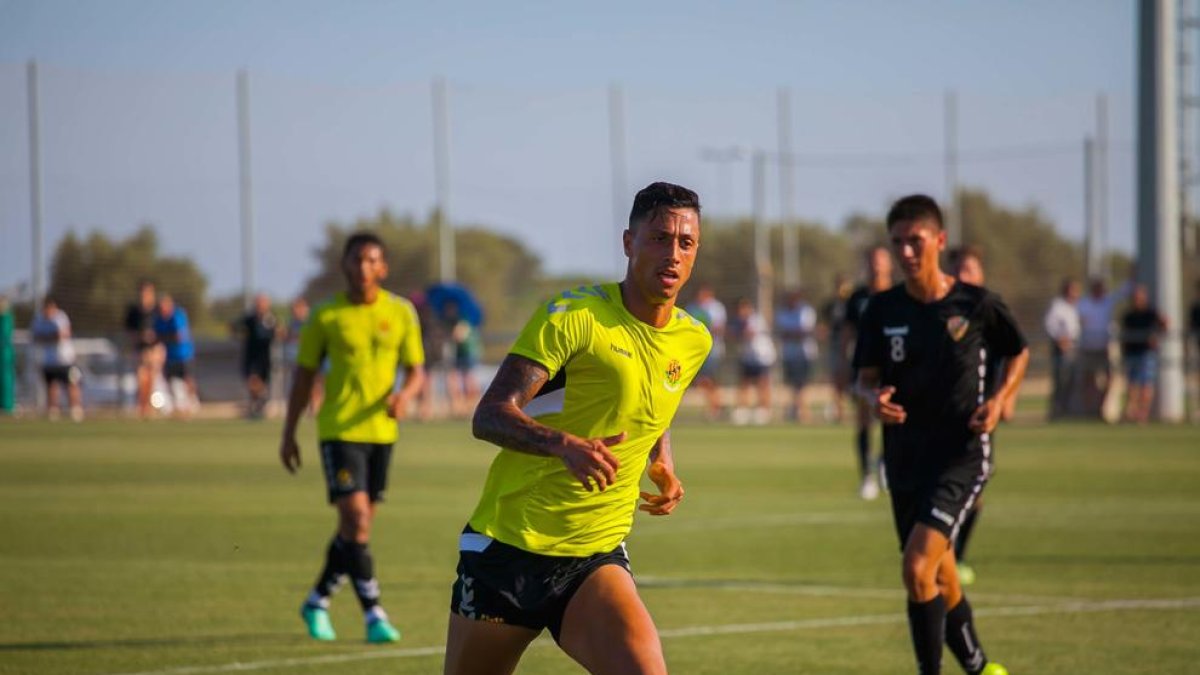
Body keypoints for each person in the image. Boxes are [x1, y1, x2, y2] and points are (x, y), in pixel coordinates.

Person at [443, 182, 710, 675]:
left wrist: (661, 460)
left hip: (594, 557)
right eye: (658, 238)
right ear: (629, 243)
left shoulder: (694, 339)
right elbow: (490, 414)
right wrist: (563, 445)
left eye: (685, 242)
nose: (672, 253)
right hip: (509, 549)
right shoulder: (575, 317)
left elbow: (653, 402)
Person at [854, 195, 1025, 675]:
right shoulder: (881, 309)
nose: (906, 251)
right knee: (941, 572)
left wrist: (1001, 398)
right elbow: (863, 380)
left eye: (916, 240)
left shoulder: (976, 303)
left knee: (916, 568)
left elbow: (1018, 351)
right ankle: (980, 667)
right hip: (905, 459)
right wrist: (873, 401)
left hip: (962, 455)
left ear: (940, 241)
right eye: (898, 242)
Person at [280, 232, 425, 644]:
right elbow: (304, 377)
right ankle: (374, 615)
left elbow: (416, 370)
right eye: (356, 260)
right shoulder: (325, 316)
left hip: (382, 434)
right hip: (339, 430)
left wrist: (405, 396)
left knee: (354, 532)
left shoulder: (400, 313)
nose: (363, 267)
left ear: (383, 268)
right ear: (344, 265)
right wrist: (289, 433)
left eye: (371, 260)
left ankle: (317, 600)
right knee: (357, 519)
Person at [843, 246, 894, 500]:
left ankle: (886, 465)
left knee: (890, 418)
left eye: (881, 261)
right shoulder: (858, 297)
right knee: (864, 420)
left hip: (894, 367)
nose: (876, 266)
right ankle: (867, 477)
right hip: (863, 366)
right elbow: (848, 333)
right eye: (872, 261)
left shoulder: (899, 295)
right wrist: (844, 365)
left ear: (889, 265)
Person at [1077, 275, 1132, 419]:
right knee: (1088, 379)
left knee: (1110, 378)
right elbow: (1079, 321)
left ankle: (1101, 407)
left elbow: (1123, 292)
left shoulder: (1107, 302)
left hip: (1104, 348)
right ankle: (1089, 411)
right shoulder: (1084, 303)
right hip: (1088, 347)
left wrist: (1131, 275)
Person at [1119, 284, 1168, 424]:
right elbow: (1124, 334)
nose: (1137, 300)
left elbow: (1164, 325)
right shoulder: (1129, 315)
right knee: (1132, 385)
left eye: (1139, 297)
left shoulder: (1151, 313)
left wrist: (1157, 337)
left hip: (1146, 354)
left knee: (1146, 385)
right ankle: (1131, 413)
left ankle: (1142, 414)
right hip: (1131, 353)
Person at [31, 297, 83, 421]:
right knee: (51, 385)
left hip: (65, 359)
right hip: (49, 361)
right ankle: (53, 410)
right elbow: (36, 337)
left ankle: (75, 409)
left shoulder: (60, 317)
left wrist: (48, 337)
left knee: (72, 383)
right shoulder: (38, 319)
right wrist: (51, 337)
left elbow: (62, 334)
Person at [776, 289, 818, 422]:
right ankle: (797, 409)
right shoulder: (782, 313)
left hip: (804, 354)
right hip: (789, 354)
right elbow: (783, 332)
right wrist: (794, 334)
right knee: (793, 384)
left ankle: (801, 410)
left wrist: (792, 334)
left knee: (802, 384)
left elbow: (804, 331)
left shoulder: (806, 311)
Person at [685, 284, 727, 420]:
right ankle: (715, 406)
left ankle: (715, 408)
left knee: (708, 380)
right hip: (695, 352)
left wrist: (702, 332)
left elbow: (719, 328)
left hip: (712, 351)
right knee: (701, 381)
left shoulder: (716, 308)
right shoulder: (691, 308)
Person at [731, 297, 775, 425]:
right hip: (748, 356)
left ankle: (764, 410)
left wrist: (737, 333)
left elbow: (749, 333)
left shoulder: (755, 319)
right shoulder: (741, 321)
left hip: (762, 356)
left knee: (763, 384)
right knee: (745, 383)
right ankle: (742, 410)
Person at [1044, 278, 1082, 419]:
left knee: (1072, 382)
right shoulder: (1058, 306)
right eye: (1074, 290)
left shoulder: (1075, 307)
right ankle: (1056, 412)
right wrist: (1060, 338)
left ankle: (1067, 411)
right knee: (1061, 381)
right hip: (1062, 349)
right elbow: (1050, 324)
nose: (1076, 294)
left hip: (1075, 347)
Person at [237, 293, 279, 419]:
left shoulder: (270, 319)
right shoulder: (249, 319)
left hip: (264, 356)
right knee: (252, 381)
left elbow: (278, 333)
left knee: (260, 382)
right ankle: (258, 402)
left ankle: (258, 404)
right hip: (250, 355)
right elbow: (236, 327)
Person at [154, 294, 198, 415]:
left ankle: (192, 402)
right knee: (170, 381)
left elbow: (179, 336)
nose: (163, 310)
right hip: (169, 356)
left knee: (187, 379)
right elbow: (155, 336)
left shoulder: (177, 316)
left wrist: (162, 338)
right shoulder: (159, 319)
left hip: (184, 355)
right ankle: (176, 406)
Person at [124, 280, 161, 418]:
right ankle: (142, 407)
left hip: (154, 349)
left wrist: (154, 337)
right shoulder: (134, 312)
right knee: (141, 378)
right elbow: (129, 331)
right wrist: (140, 337)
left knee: (152, 378)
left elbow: (163, 330)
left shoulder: (156, 311)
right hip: (139, 349)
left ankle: (149, 407)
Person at [820, 274, 853, 423]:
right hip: (836, 345)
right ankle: (840, 412)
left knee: (855, 379)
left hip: (853, 345)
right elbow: (823, 324)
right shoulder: (831, 305)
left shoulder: (853, 303)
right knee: (837, 379)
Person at [443, 299, 483, 418]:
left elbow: (459, 336)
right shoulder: (452, 321)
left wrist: (449, 334)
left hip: (468, 354)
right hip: (458, 354)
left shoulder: (463, 319)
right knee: (455, 379)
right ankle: (459, 407)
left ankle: (471, 406)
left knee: (468, 380)